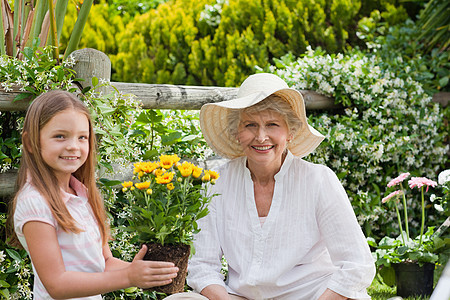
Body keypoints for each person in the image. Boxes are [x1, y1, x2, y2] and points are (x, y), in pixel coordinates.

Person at [167, 73, 375, 300]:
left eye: (272, 124)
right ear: (237, 133)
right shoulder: (218, 182)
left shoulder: (319, 180)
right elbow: (202, 267)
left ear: (290, 132)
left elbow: (357, 265)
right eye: (250, 125)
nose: (261, 136)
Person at [7, 90, 179, 299]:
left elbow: (104, 263)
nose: (73, 146)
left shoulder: (82, 195)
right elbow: (57, 284)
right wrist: (128, 278)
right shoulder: (34, 202)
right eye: (59, 136)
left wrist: (142, 272)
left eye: (82, 137)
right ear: (31, 142)